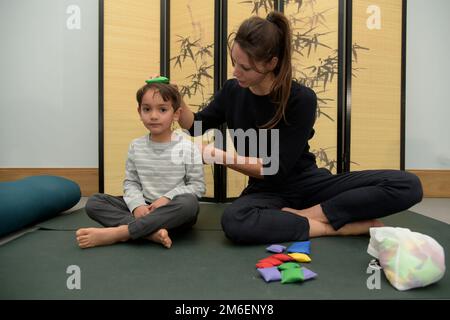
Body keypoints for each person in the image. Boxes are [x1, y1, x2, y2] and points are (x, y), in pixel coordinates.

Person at [174, 11, 423, 244]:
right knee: (234, 221)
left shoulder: (301, 99)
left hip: (309, 183)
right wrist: (178, 103)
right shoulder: (232, 91)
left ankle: (310, 215)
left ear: (271, 63)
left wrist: (217, 155)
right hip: (265, 192)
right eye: (234, 62)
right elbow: (195, 126)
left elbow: (276, 169)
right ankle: (331, 226)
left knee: (408, 185)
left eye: (245, 67)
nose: (235, 71)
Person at [76, 82, 205, 249]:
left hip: (171, 211)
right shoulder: (136, 146)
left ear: (176, 114)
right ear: (139, 112)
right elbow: (131, 182)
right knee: (94, 202)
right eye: (147, 109)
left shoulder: (188, 147)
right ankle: (151, 234)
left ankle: (121, 232)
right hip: (144, 206)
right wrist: (137, 205)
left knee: (189, 205)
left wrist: (167, 198)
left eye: (162, 109)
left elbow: (197, 187)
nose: (153, 116)